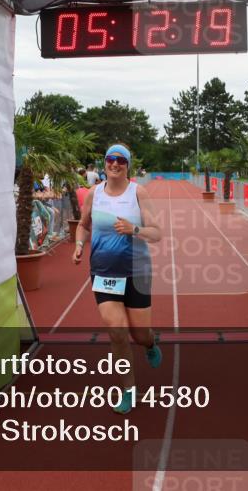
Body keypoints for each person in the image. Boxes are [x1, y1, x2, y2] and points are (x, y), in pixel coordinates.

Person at [72, 144, 163, 414]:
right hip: (103, 273)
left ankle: (150, 343)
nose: (115, 164)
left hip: (137, 272)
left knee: (139, 333)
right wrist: (79, 245)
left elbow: (156, 233)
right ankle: (128, 390)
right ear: (104, 163)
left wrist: (133, 229)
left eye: (120, 160)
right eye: (110, 159)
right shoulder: (94, 194)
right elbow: (82, 225)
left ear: (128, 165)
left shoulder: (139, 192)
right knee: (117, 331)